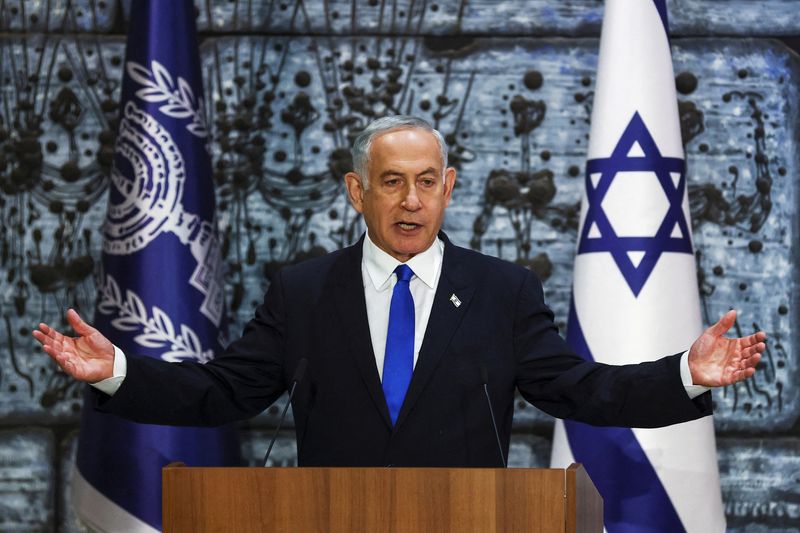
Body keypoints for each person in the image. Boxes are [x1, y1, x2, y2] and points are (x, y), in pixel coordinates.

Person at [34, 115, 766, 467]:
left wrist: (684, 373)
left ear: (448, 189)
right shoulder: (304, 290)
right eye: (391, 182)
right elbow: (222, 392)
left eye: (425, 183)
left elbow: (580, 390)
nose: (410, 202)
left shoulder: (503, 290)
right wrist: (118, 371)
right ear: (358, 191)